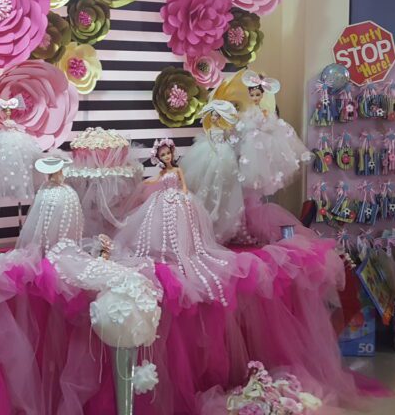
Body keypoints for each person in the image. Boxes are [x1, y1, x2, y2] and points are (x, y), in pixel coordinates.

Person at [114, 139, 236, 305]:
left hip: (178, 197)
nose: (166, 156)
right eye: (162, 155)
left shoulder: (177, 169)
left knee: (183, 224)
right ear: (159, 157)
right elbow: (155, 179)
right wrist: (147, 181)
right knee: (159, 224)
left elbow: (183, 184)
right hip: (164, 198)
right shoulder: (163, 174)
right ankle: (167, 247)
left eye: (168, 153)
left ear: (172, 153)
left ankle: (183, 247)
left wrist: (184, 194)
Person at [235, 71, 311, 197]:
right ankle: (258, 187)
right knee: (254, 169)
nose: (255, 98)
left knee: (267, 168)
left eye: (257, 95)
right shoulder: (250, 110)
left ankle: (265, 188)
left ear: (263, 95)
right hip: (252, 144)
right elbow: (246, 122)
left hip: (264, 142)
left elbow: (270, 125)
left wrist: (260, 125)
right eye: (252, 95)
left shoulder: (266, 110)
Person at [181, 100, 246, 244]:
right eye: (213, 116)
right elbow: (210, 141)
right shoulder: (209, 130)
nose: (215, 118)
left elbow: (228, 139)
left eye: (217, 116)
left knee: (224, 185)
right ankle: (206, 222)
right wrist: (216, 150)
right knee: (208, 183)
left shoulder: (223, 130)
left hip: (224, 154)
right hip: (212, 154)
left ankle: (220, 222)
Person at [14, 157, 84, 258]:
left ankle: (49, 250)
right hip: (59, 201)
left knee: (50, 226)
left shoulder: (46, 189)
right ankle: (54, 252)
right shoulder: (61, 192)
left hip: (57, 201)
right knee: (53, 226)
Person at [0, 96, 43, 203]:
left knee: (21, 161)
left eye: (9, 110)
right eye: (6, 110)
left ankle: (19, 185)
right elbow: (8, 128)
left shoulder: (11, 121)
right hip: (6, 139)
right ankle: (12, 185)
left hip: (15, 137)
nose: (8, 112)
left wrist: (19, 131)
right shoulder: (6, 122)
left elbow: (15, 128)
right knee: (7, 161)